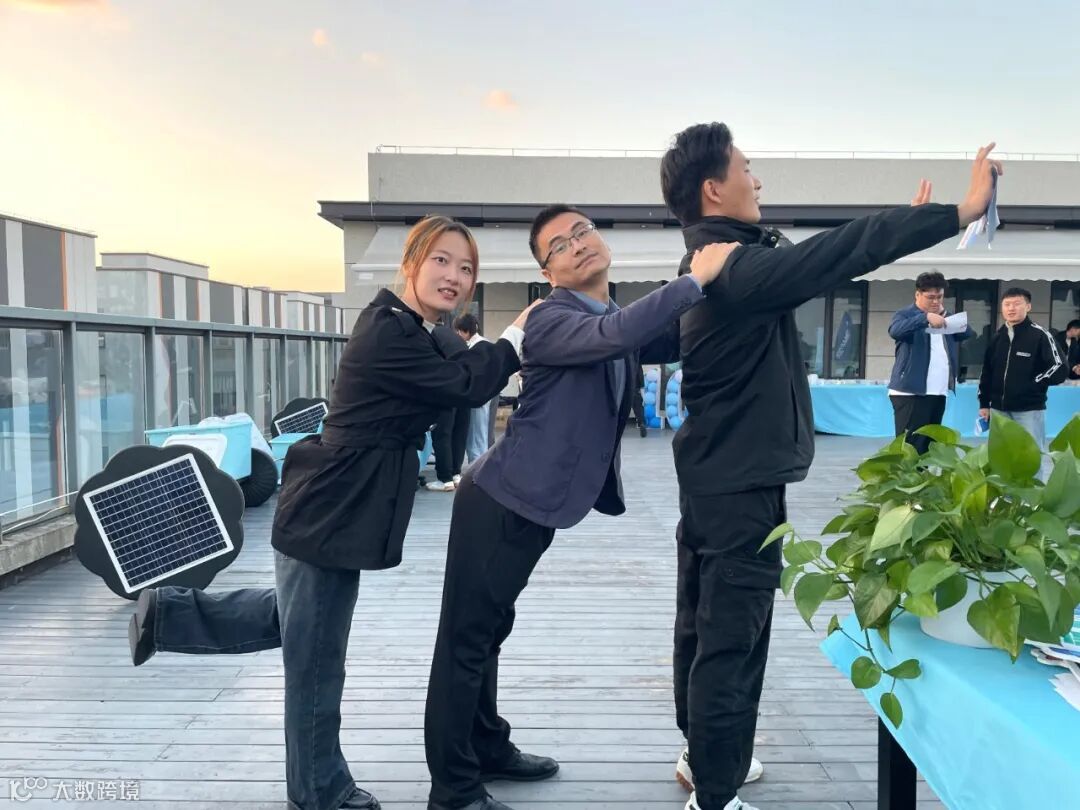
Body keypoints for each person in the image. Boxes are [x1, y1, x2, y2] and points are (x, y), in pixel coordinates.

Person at [125, 216, 535, 810]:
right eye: (442, 260)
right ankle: (318, 790)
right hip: (329, 507)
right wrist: (517, 336)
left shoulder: (414, 328)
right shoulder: (388, 332)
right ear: (411, 263)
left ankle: (166, 613)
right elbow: (466, 384)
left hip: (339, 505)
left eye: (466, 268)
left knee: (301, 621)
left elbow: (462, 362)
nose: (454, 276)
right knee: (316, 655)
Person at [659, 123, 1004, 810]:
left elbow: (824, 258)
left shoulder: (714, 262)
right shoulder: (735, 270)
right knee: (732, 638)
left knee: (701, 623)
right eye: (747, 169)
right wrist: (956, 213)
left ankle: (704, 759)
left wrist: (905, 223)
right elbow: (840, 250)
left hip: (716, 478)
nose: (757, 179)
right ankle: (716, 794)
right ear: (714, 189)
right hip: (740, 486)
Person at [423, 204, 736, 810]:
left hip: (528, 504)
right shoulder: (551, 318)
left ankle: (486, 746)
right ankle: (453, 789)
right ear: (549, 272)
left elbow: (652, 332)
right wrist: (694, 279)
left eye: (583, 231)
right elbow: (616, 338)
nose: (578, 244)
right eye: (560, 244)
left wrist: (724, 287)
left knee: (489, 631)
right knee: (465, 641)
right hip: (499, 502)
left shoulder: (607, 314)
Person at [887, 271, 974, 453]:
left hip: (938, 390)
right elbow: (895, 331)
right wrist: (924, 318)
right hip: (910, 391)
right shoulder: (905, 314)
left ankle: (925, 472)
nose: (935, 301)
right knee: (911, 446)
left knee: (929, 447)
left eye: (939, 297)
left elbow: (967, 333)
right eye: (930, 297)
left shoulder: (943, 315)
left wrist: (945, 316)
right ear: (917, 295)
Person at [977, 287, 1067, 450]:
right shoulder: (997, 338)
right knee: (1000, 456)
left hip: (1029, 410)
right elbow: (987, 372)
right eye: (1007, 304)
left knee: (1031, 455)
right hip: (998, 410)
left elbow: (1059, 367)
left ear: (1028, 307)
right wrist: (984, 403)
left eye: (1017, 304)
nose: (1011, 308)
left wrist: (1034, 384)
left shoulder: (1040, 335)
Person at [428, 324, 472, 491]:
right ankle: (455, 474)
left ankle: (444, 479)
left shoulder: (429, 336)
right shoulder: (453, 338)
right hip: (465, 388)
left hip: (446, 388)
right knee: (459, 432)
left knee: (442, 433)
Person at [455, 313, 501, 461]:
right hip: (492, 391)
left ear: (465, 331)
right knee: (485, 431)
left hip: (480, 393)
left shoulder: (475, 347)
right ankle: (485, 463)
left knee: (477, 433)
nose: (458, 335)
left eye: (459, 331)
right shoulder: (486, 343)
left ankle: (478, 465)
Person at [631, 363, 648, 436]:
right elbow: (640, 377)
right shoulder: (637, 363)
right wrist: (642, 390)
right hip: (635, 389)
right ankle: (642, 423)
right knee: (638, 408)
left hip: (625, 388)